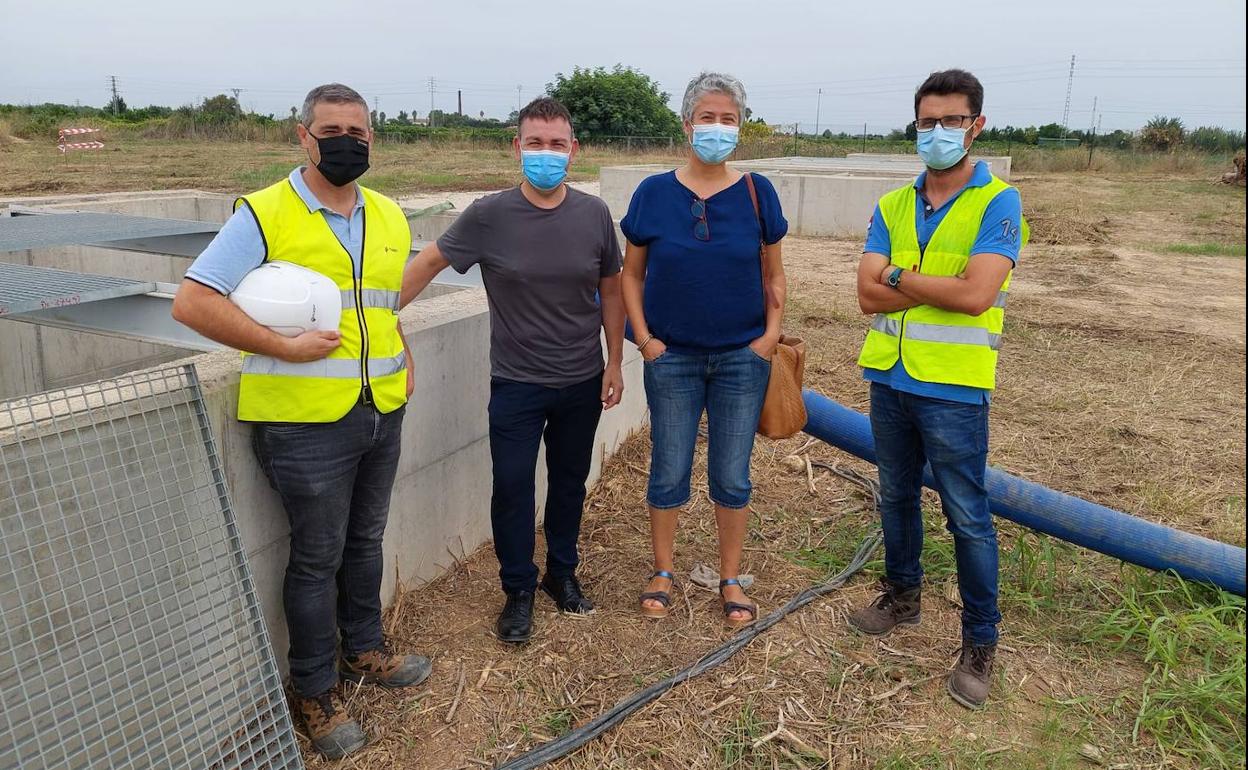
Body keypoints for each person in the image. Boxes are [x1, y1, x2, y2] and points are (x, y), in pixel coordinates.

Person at [172, 83, 431, 759]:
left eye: (360, 130)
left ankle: (364, 648)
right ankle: (312, 690)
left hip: (382, 408)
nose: (348, 140)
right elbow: (194, 302)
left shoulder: (388, 215)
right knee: (316, 557)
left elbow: (381, 303)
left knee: (366, 539)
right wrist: (282, 346)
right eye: (332, 128)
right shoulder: (265, 213)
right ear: (304, 135)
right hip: (303, 424)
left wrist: (398, 352)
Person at [398, 97, 625, 645]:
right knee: (513, 487)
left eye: (556, 144)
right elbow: (429, 262)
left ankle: (562, 574)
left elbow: (612, 289)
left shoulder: (593, 214)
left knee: (570, 483)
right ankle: (518, 588)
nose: (545, 153)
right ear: (516, 147)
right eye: (534, 142)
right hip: (517, 384)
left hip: (580, 379)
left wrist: (615, 359)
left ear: (574, 151)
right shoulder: (489, 215)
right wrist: (376, 315)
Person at [848, 69, 1027, 710]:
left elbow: (977, 296)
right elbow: (867, 292)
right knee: (895, 495)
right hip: (889, 377)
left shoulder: (997, 203)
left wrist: (899, 272)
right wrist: (920, 279)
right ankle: (902, 596)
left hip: (953, 387)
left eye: (952, 121)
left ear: (976, 126)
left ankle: (980, 642)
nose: (939, 132)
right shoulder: (894, 204)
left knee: (967, 516)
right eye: (928, 122)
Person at [620, 72, 788, 627]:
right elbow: (631, 275)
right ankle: (663, 569)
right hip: (673, 360)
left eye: (728, 118)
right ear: (687, 124)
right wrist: (644, 340)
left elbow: (774, 275)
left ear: (740, 125)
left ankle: (730, 576)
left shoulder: (758, 192)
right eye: (707, 117)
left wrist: (767, 339)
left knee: (732, 474)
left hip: (743, 359)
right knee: (669, 467)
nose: (717, 128)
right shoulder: (653, 194)